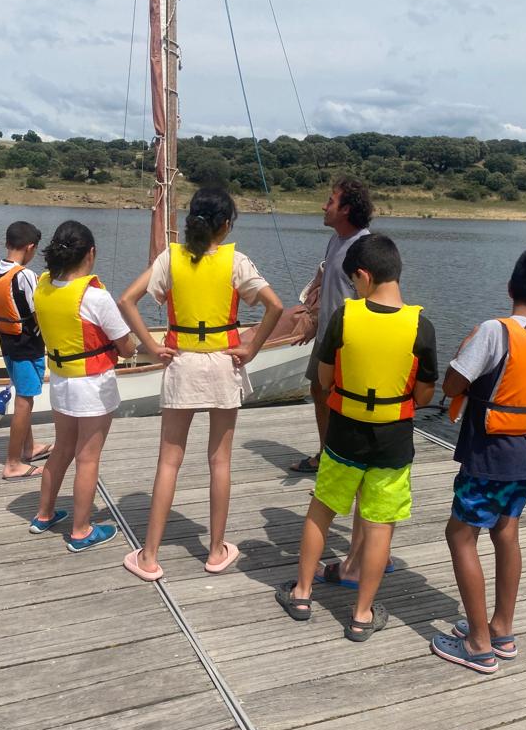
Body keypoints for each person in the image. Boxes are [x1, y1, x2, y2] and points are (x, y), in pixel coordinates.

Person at [276, 234, 437, 641]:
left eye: (353, 282)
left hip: (344, 435)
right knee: (380, 523)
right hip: (393, 442)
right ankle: (362, 615)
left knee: (322, 509)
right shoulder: (421, 326)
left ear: (363, 276)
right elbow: (424, 395)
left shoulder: (344, 317)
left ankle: (302, 593)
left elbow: (325, 377)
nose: (354, 289)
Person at [118, 187, 283, 581]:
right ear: (224, 225)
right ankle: (215, 550)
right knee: (219, 461)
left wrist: (151, 345)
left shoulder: (170, 258)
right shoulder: (236, 261)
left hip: (182, 363)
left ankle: (149, 556)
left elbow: (126, 300)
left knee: (168, 461)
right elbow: (275, 306)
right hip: (225, 363)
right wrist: (252, 348)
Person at [430, 246, 526, 673]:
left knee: (460, 535)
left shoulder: (495, 331)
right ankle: (501, 630)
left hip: (489, 453)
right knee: (506, 533)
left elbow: (452, 384)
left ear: (510, 287)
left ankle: (478, 644)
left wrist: (465, 346)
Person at [28, 220, 136, 552]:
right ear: (91, 253)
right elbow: (127, 347)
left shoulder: (42, 287)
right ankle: (81, 530)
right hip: (92, 385)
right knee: (88, 459)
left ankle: (43, 514)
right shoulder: (96, 297)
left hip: (61, 381)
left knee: (62, 448)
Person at [290, 175, 373, 474]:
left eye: (330, 200)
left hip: (349, 341)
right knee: (318, 391)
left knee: (345, 401)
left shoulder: (364, 247)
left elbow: (372, 299)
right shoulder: (335, 240)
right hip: (327, 334)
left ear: (346, 209)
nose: (324, 206)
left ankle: (345, 461)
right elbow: (330, 287)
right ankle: (327, 454)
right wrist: (314, 320)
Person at [0, 221, 52, 480]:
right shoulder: (25, 276)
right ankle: (13, 463)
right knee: (24, 400)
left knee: (23, 394)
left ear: (7, 242)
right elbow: (39, 310)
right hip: (27, 344)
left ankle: (28, 447)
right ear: (31, 247)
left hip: (7, 340)